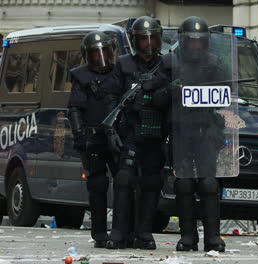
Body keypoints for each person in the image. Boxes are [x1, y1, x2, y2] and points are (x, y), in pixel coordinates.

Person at [164, 16, 228, 252]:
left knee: (209, 184)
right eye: (191, 41)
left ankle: (213, 237)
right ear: (183, 41)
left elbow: (227, 96)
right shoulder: (170, 63)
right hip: (180, 130)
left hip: (205, 130)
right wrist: (169, 90)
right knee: (183, 184)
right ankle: (188, 237)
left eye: (200, 41)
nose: (196, 46)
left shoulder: (215, 64)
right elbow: (158, 97)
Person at [106, 16, 169, 250]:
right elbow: (111, 99)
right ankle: (119, 232)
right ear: (135, 41)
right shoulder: (123, 64)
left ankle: (144, 233)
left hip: (156, 132)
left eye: (153, 38)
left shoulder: (167, 65)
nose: (149, 44)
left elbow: (175, 99)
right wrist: (111, 131)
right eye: (143, 39)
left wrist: (163, 91)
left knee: (152, 182)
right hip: (130, 130)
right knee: (123, 180)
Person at [68, 31, 119, 248]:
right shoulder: (82, 77)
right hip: (93, 139)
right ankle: (99, 233)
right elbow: (75, 109)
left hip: (117, 137)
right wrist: (81, 136)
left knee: (126, 183)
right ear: (87, 56)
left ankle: (122, 230)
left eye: (104, 52)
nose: (101, 58)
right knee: (97, 185)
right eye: (95, 54)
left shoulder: (120, 72)